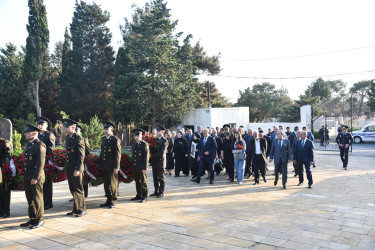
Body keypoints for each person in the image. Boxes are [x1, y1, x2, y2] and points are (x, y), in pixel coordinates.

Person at [20, 124, 46, 229]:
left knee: (37, 199)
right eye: (25, 132)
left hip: (36, 177)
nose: (25, 133)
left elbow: (40, 164)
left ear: (34, 133)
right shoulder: (30, 144)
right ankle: (33, 217)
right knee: (30, 199)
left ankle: (40, 219)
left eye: (27, 132)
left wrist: (35, 177)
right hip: (28, 176)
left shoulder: (39, 145)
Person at [63, 119, 86, 217]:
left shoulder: (78, 138)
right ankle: (75, 208)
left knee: (78, 189)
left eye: (68, 127)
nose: (66, 129)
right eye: (66, 127)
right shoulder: (68, 138)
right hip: (70, 168)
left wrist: (78, 169)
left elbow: (81, 155)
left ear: (73, 128)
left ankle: (81, 209)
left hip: (76, 168)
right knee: (72, 188)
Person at [99, 122, 121, 208]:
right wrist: (100, 164)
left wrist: (116, 166)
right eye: (104, 129)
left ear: (111, 130)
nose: (105, 131)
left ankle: (113, 200)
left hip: (112, 166)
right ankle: (108, 200)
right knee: (106, 184)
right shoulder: (104, 139)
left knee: (113, 184)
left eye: (106, 129)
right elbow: (102, 153)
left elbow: (117, 154)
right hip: (105, 165)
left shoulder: (115, 140)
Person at [37, 116, 56, 210]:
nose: (40, 126)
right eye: (39, 124)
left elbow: (50, 150)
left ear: (46, 125)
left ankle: (48, 202)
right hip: (38, 162)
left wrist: (47, 162)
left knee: (47, 184)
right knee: (41, 184)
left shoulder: (49, 135)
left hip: (46, 162)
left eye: (42, 124)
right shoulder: (38, 135)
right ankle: (43, 201)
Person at [131, 128, 150, 203]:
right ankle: (138, 195)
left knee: (143, 182)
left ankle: (144, 196)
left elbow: (146, 157)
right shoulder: (135, 144)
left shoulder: (144, 144)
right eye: (135, 136)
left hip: (142, 166)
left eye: (138, 135)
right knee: (137, 181)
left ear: (141, 135)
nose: (136, 137)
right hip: (136, 166)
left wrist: (144, 167)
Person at [149, 125, 168, 198]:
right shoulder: (155, 140)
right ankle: (156, 190)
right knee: (155, 177)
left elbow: (161, 152)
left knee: (161, 177)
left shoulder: (164, 140)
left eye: (158, 131)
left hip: (160, 161)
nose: (157, 132)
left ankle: (161, 191)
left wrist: (152, 155)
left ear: (162, 132)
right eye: (157, 131)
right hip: (154, 161)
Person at [75, 124, 90, 198]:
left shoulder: (83, 140)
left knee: (83, 180)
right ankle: (76, 195)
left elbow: (87, 152)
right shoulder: (72, 139)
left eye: (77, 130)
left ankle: (84, 194)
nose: (75, 132)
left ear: (80, 131)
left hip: (83, 163)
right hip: (75, 163)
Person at [0, 137, 12, 218]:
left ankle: (5, 211)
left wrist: (4, 168)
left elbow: (7, 157)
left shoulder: (4, 143)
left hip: (2, 171)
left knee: (4, 191)